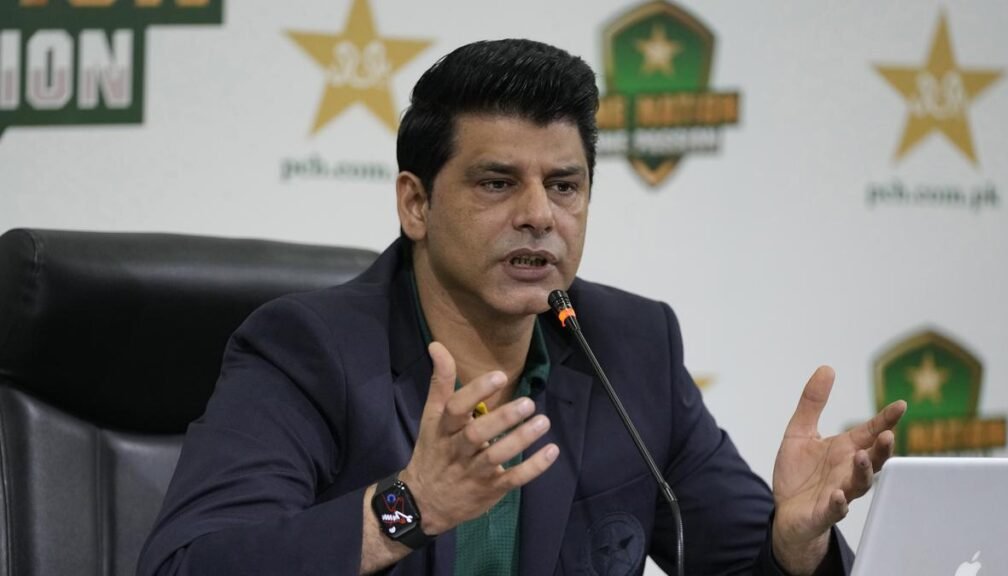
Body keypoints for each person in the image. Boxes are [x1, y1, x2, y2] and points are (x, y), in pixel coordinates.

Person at [137, 39, 906, 576]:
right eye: (497, 183)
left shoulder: (632, 348)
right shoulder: (306, 351)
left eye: (564, 186)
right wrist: (408, 506)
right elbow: (187, 566)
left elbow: (741, 564)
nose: (540, 215)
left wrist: (795, 545)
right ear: (416, 204)